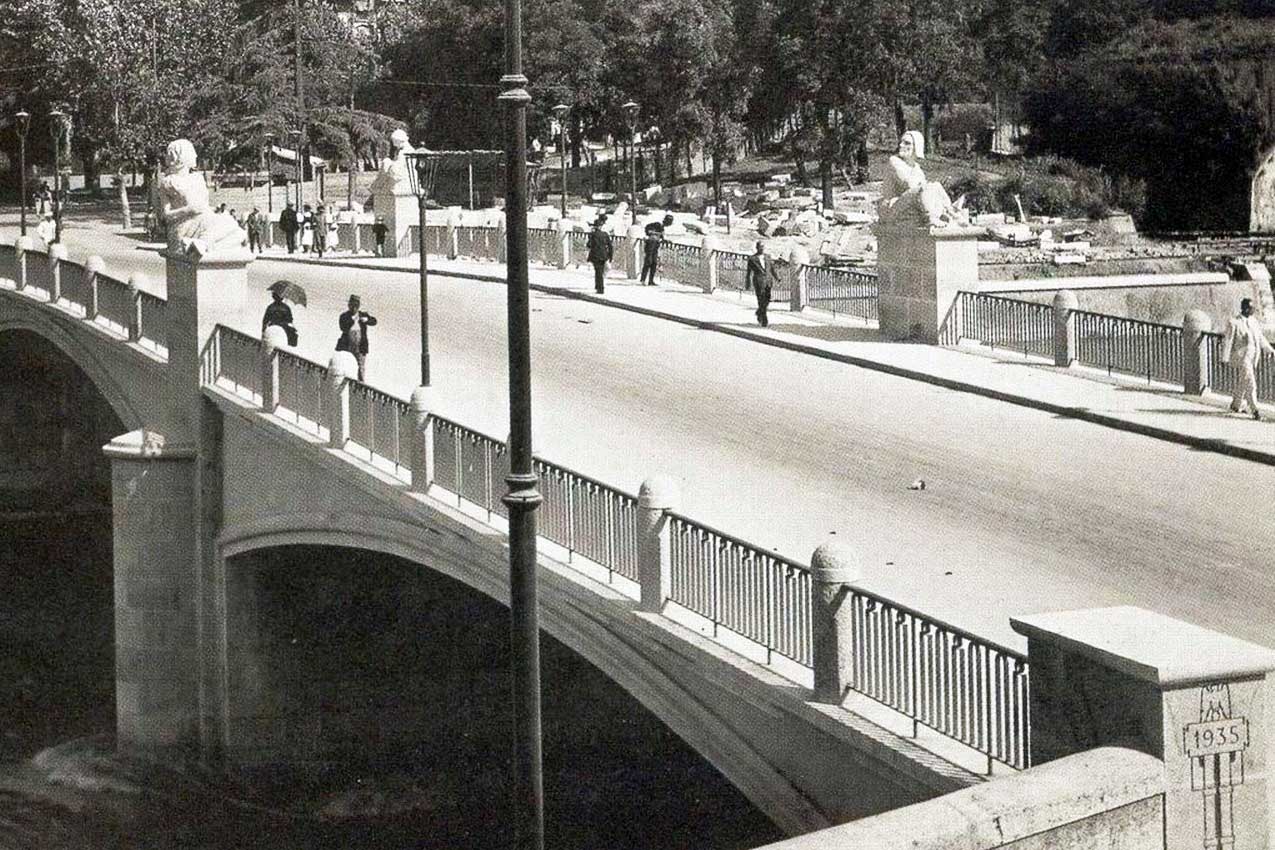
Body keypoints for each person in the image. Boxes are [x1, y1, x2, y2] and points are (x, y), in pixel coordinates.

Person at [155, 139, 246, 255]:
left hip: (204, 219)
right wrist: (187, 210)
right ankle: (201, 243)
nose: (195, 155)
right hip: (184, 225)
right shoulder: (168, 182)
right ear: (181, 155)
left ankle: (201, 244)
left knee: (239, 233)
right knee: (227, 224)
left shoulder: (198, 178)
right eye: (192, 152)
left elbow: (203, 206)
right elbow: (165, 215)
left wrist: (214, 209)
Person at [877, 130, 966, 227]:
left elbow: (925, 193)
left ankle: (952, 212)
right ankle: (931, 218)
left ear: (917, 147)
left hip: (908, 204)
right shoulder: (894, 161)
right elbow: (910, 185)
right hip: (891, 207)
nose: (901, 145)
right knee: (924, 187)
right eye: (901, 142)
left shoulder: (916, 167)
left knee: (936, 185)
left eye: (907, 143)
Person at [1222, 297, 1275, 421]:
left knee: (1243, 381)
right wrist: (1224, 358)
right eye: (1252, 308)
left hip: (1253, 357)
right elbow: (1228, 341)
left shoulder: (1254, 322)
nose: (1254, 310)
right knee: (1251, 383)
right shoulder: (1234, 322)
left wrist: (1270, 350)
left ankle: (1236, 405)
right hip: (1242, 358)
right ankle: (1255, 410)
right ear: (1246, 309)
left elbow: (1260, 338)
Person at [335, 294, 377, 382]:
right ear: (349, 305)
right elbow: (343, 327)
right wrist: (353, 319)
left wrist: (367, 320)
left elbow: (374, 321)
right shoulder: (344, 316)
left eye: (356, 306)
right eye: (352, 306)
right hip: (347, 346)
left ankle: (361, 385)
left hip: (360, 347)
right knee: (345, 365)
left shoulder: (363, 315)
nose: (354, 308)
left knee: (360, 368)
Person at [745, 240, 780, 327]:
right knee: (761, 300)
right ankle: (764, 319)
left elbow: (772, 269)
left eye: (763, 247)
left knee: (767, 299)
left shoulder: (768, 257)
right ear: (757, 248)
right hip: (758, 281)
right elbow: (749, 272)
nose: (762, 248)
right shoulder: (752, 259)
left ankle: (759, 311)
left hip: (768, 281)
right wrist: (747, 283)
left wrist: (777, 278)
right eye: (760, 247)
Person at [262, 281, 298, 346]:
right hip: (283, 328)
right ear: (282, 298)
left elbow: (265, 321)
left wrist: (263, 332)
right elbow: (290, 320)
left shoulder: (270, 307)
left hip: (272, 326)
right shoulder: (286, 308)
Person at [641, 214, 673, 286]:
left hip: (656, 245)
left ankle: (651, 280)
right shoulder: (657, 224)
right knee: (648, 261)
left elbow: (662, 237)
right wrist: (654, 233)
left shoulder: (662, 228)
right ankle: (643, 279)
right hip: (650, 244)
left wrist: (666, 241)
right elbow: (648, 230)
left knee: (654, 263)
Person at [587, 215, 613, 294]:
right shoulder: (605, 234)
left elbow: (589, 245)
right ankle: (599, 286)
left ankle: (600, 288)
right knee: (601, 271)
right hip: (604, 255)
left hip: (595, 255)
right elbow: (610, 246)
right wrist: (610, 256)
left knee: (598, 271)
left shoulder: (593, 235)